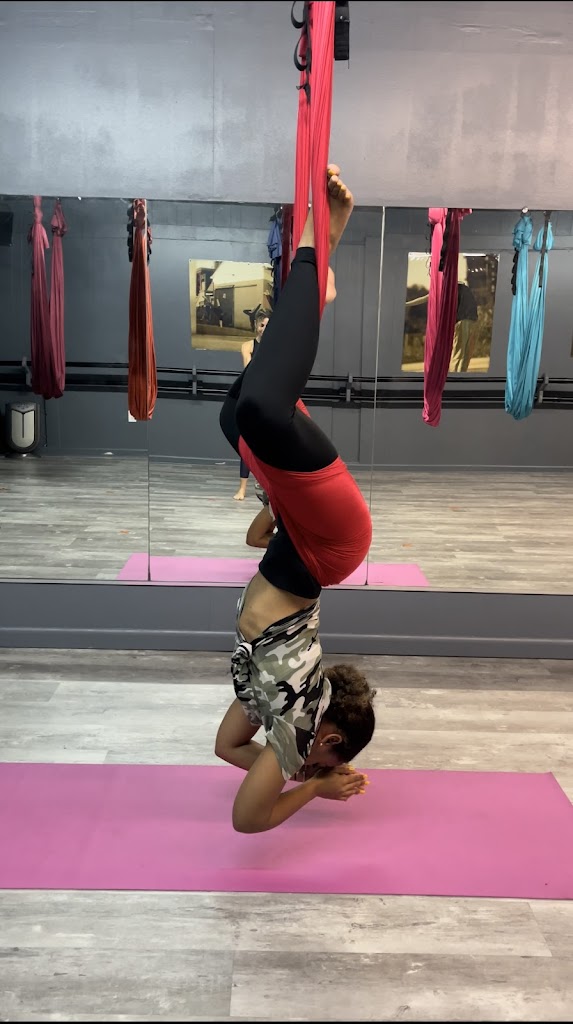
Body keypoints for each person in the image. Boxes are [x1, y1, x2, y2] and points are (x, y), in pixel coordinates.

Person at [217, 165, 375, 834]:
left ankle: (314, 291)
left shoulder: (273, 709)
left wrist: (311, 777)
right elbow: (247, 822)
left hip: (300, 541)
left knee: (235, 418)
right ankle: (318, 255)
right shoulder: (299, 724)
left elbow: (225, 747)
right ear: (329, 740)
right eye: (323, 758)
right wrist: (314, 787)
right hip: (332, 545)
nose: (304, 766)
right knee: (261, 408)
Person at [234, 311, 270, 500]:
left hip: (268, 400)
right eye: (262, 325)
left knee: (267, 445)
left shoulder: (276, 348)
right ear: (256, 326)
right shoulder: (247, 346)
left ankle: (268, 486)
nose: (264, 329)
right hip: (251, 398)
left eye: (268, 326)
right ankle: (242, 489)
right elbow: (250, 370)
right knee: (247, 444)